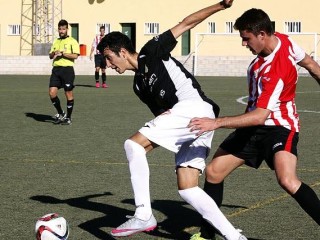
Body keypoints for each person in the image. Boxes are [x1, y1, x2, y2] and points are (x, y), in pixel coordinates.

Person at [97, 1, 248, 239]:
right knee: (188, 189)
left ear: (122, 52)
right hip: (192, 121)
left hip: (194, 108)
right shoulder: (138, 85)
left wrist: (221, 5)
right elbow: (162, 118)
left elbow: (187, 23)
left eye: (108, 57)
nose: (107, 64)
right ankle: (235, 237)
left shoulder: (151, 51)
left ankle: (144, 213)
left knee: (133, 145)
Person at [188, 8, 320, 240]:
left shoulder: (275, 70)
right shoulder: (285, 41)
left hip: (278, 126)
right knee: (214, 172)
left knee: (287, 180)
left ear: (261, 34)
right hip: (252, 125)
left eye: (246, 38)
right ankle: (207, 235)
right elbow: (310, 64)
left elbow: (261, 116)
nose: (244, 44)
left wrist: (216, 123)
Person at [49, 19, 80, 125]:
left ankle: (68, 117)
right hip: (56, 70)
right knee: (52, 93)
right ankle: (61, 113)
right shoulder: (56, 41)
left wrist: (63, 54)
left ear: (67, 29)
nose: (61, 31)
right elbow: (50, 56)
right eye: (60, 29)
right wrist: (54, 53)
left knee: (68, 93)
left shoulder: (72, 41)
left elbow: (75, 55)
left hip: (67, 70)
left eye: (63, 29)